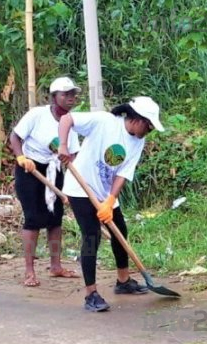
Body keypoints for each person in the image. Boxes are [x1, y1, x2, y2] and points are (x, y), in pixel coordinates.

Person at [57, 96, 164, 312]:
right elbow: (67, 119)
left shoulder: (138, 141)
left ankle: (123, 282)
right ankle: (91, 294)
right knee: (91, 236)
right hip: (80, 188)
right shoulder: (104, 121)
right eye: (149, 124)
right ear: (137, 119)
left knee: (120, 232)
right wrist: (63, 145)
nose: (150, 129)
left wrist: (111, 200)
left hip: (104, 193)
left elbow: (123, 173)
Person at [9, 76, 82, 287]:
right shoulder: (37, 115)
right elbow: (15, 137)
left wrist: (73, 185)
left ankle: (56, 266)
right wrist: (21, 157)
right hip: (30, 169)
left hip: (55, 169)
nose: (70, 98)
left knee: (55, 219)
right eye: (65, 94)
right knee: (33, 219)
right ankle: (29, 271)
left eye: (73, 95)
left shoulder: (72, 121)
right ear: (54, 97)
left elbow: (73, 155)